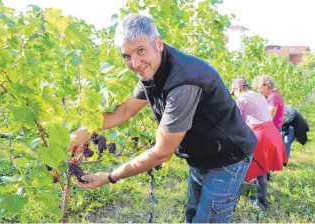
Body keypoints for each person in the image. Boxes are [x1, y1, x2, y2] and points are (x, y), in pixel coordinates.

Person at [69, 14, 257, 223]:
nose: (135, 63)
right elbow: (124, 111)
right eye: (126, 56)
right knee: (193, 215)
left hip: (228, 158)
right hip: (203, 154)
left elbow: (161, 153)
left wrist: (110, 177)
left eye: (141, 51)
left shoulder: (183, 83)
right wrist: (87, 129)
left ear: (158, 43)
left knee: (209, 220)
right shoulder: (152, 71)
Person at [230, 78, 287, 209]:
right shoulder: (260, 96)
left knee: (241, 169)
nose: (235, 96)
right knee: (262, 168)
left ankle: (231, 205)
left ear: (238, 89)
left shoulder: (241, 100)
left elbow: (237, 124)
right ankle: (262, 202)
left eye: (234, 93)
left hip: (259, 136)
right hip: (272, 134)